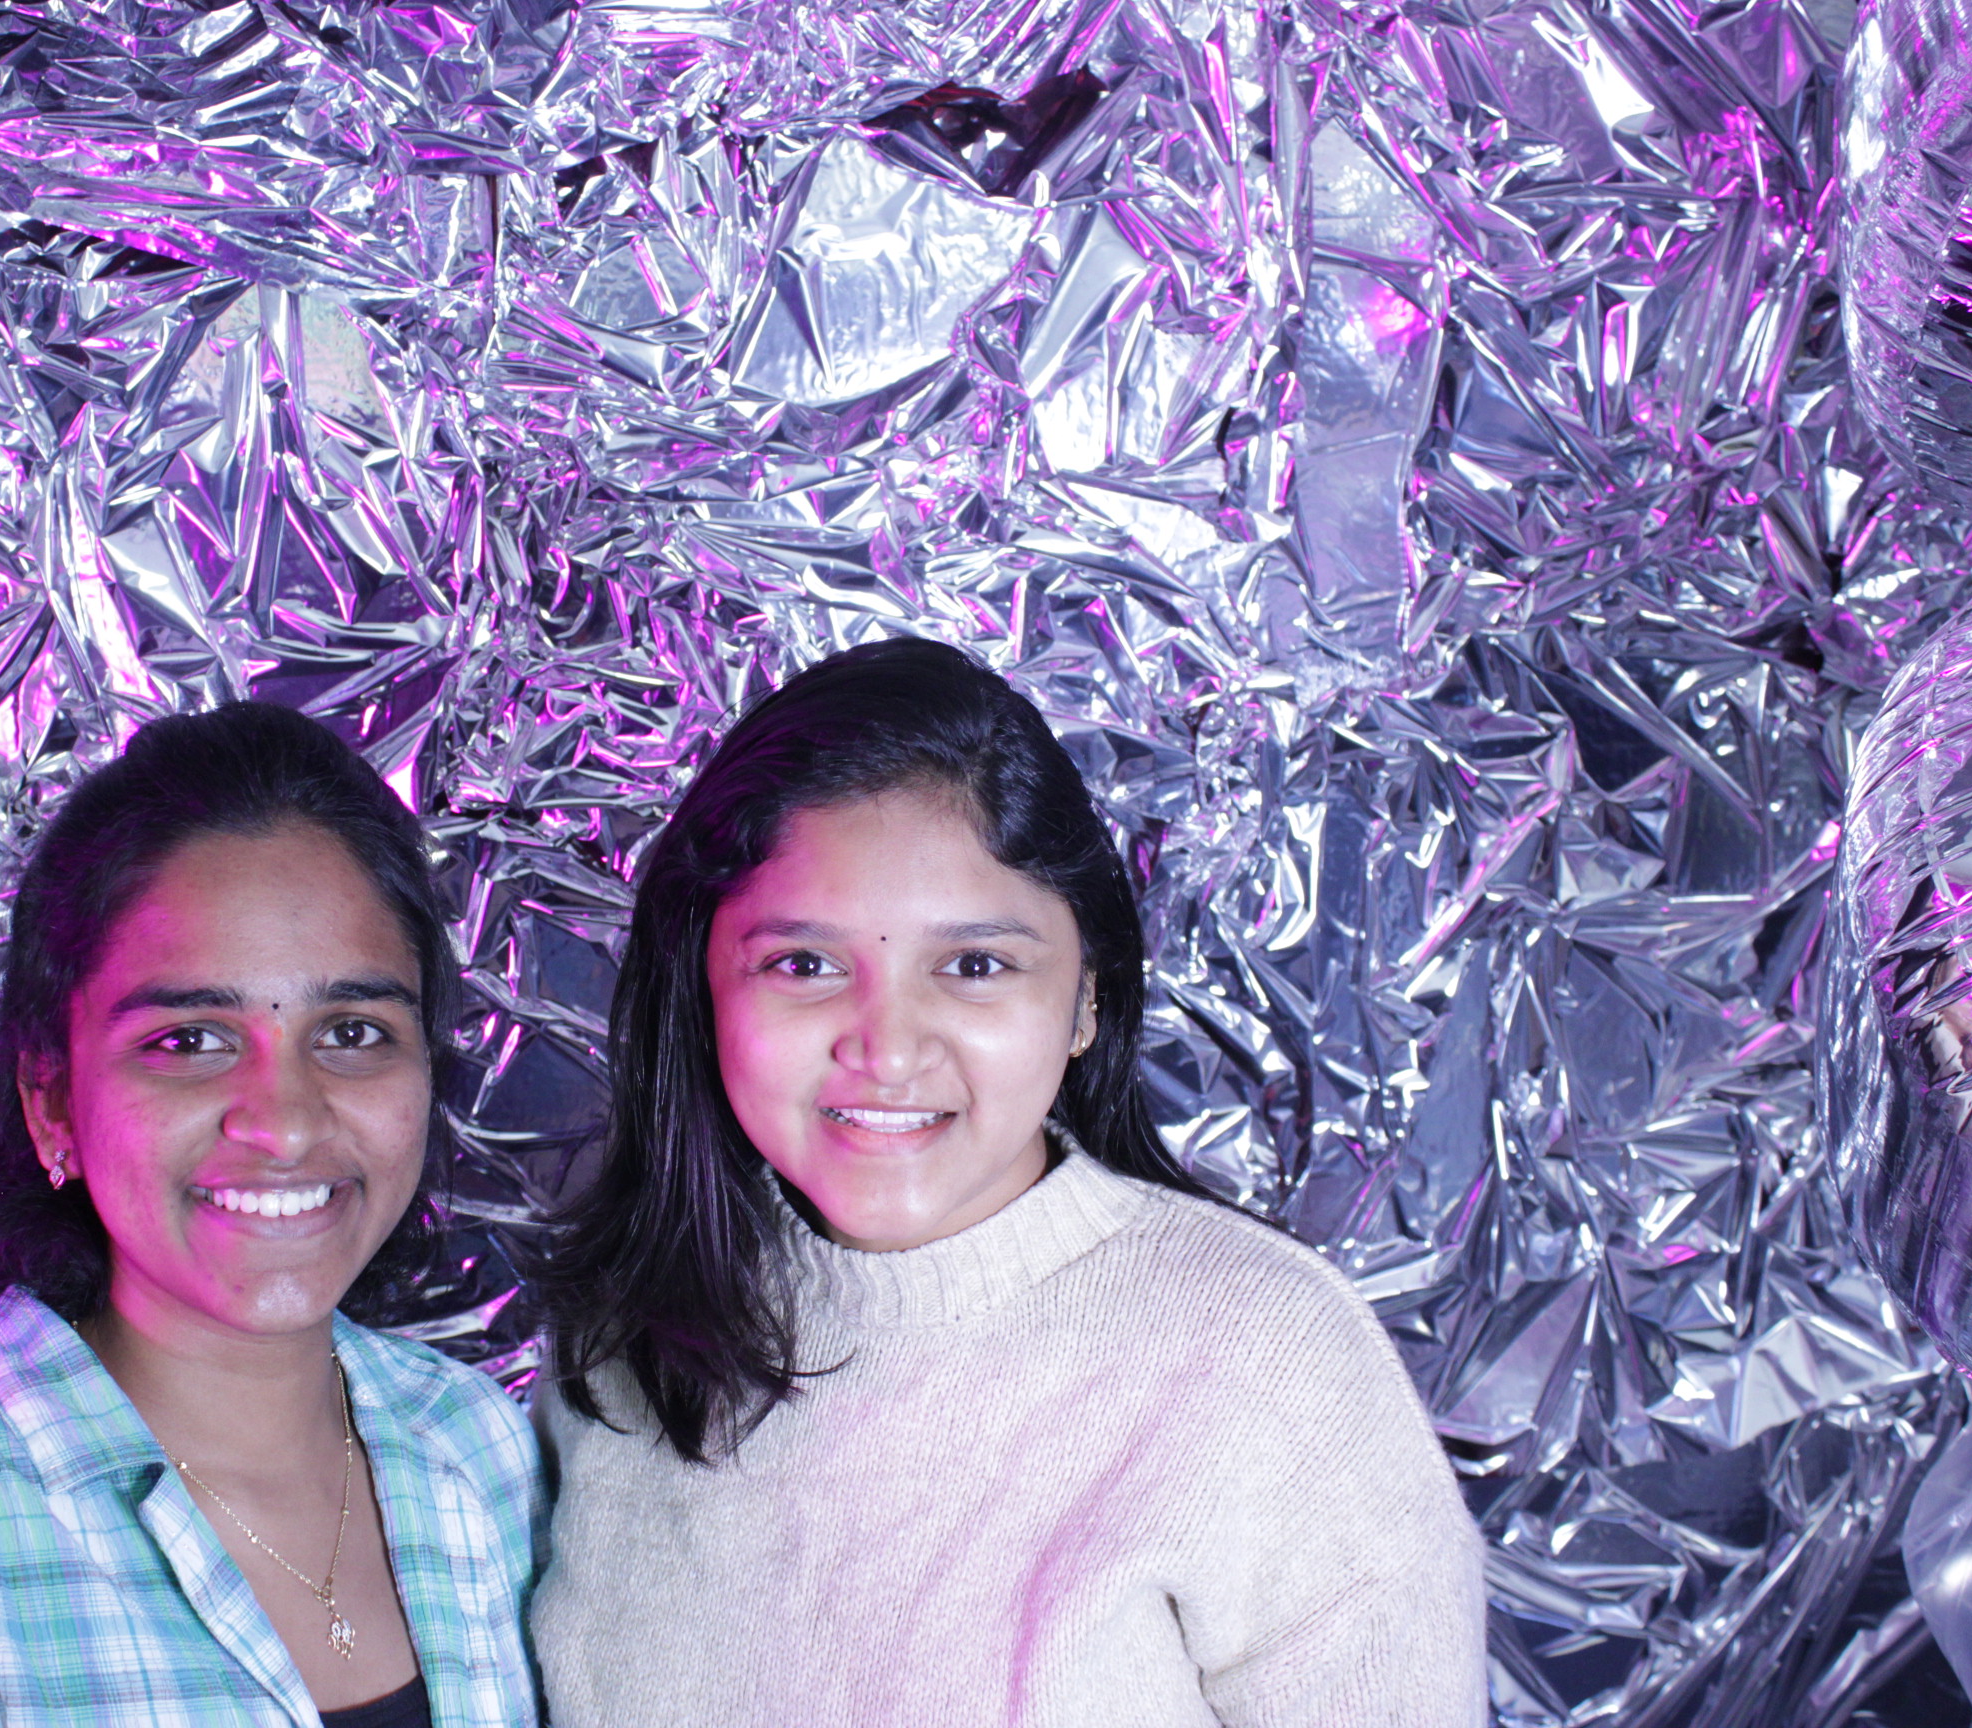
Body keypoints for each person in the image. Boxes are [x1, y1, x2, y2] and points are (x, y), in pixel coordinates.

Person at [532, 638, 1487, 1725]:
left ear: (1086, 1000)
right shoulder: (618, 1342)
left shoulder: (1264, 1361)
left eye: (975, 966)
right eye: (804, 964)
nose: (888, 1050)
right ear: (702, 989)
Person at [0, 702, 543, 1728]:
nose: (283, 1122)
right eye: (189, 1041)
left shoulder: (480, 1452)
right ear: (52, 1103)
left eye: (353, 1032)